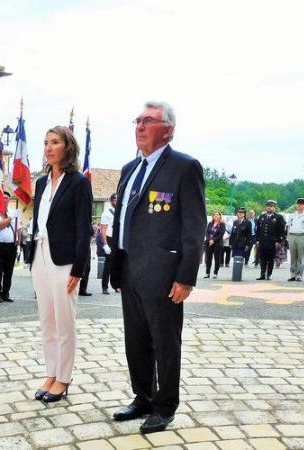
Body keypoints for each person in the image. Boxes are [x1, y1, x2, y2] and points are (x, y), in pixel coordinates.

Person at [110, 101, 205, 434]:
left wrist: (186, 276)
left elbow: (195, 227)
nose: (139, 126)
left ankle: (164, 406)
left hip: (163, 273)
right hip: (129, 268)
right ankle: (143, 397)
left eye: (148, 121)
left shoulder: (184, 167)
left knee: (165, 342)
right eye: (137, 120)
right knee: (135, 339)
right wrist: (115, 264)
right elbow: (122, 220)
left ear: (168, 129)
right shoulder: (128, 170)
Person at [30, 125, 92, 403]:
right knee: (47, 320)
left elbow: (83, 229)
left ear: (67, 147)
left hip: (64, 260)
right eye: (46, 142)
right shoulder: (41, 182)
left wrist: (79, 269)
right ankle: (51, 372)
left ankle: (64, 378)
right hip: (40, 254)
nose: (48, 147)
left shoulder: (78, 182)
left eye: (54, 142)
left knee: (64, 321)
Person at [0, 191, 19, 303]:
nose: (5, 200)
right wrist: (11, 217)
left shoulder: (12, 211)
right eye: (3, 198)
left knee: (9, 271)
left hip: (11, 246)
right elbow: (0, 225)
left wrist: (18, 242)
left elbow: (18, 228)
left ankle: (6, 293)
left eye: (7, 198)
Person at [254, 200, 286, 280]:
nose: (269, 208)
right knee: (262, 258)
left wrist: (279, 241)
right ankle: (262, 274)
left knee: (271, 259)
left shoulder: (278, 217)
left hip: (272, 242)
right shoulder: (262, 217)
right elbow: (258, 230)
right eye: (268, 206)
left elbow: (281, 230)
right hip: (262, 241)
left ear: (274, 208)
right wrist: (257, 240)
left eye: (271, 206)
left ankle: (268, 274)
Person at [286, 198, 304, 281]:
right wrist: (288, 237)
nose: (300, 205)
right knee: (293, 257)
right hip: (292, 236)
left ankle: (299, 275)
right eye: (298, 204)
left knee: (301, 257)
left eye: (302, 204)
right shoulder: (292, 214)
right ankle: (293, 274)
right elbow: (288, 226)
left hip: (302, 236)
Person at [98, 193, 117, 294]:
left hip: (117, 239)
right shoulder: (106, 213)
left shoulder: (120, 212)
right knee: (108, 264)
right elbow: (103, 229)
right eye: (115, 200)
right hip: (109, 239)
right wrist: (105, 244)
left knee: (118, 264)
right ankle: (104, 287)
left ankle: (116, 285)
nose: (117, 201)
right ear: (111, 201)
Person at [203, 212, 225, 279]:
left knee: (217, 259)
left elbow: (221, 234)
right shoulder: (210, 223)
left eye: (217, 214)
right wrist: (209, 239)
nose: (216, 216)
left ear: (220, 216)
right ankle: (207, 273)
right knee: (208, 258)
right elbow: (206, 232)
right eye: (214, 214)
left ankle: (215, 273)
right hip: (209, 243)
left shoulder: (222, 224)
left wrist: (213, 240)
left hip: (218, 243)